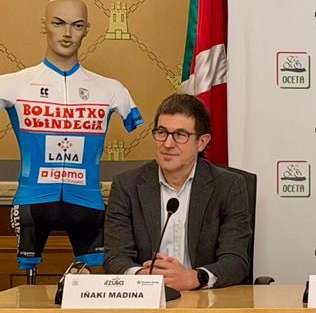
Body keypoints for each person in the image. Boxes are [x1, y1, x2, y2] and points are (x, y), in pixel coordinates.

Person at [0, 0, 143, 275]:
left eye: (77, 25)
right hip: (33, 200)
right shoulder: (12, 85)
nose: (67, 34)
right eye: (58, 23)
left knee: (93, 294)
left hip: (87, 203)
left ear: (87, 29)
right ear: (44, 25)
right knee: (27, 294)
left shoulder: (111, 90)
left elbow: (132, 120)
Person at [104, 94, 250, 290]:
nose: (168, 144)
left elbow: (236, 260)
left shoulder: (229, 186)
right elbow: (115, 257)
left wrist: (194, 278)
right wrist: (143, 275)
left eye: (180, 135)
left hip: (206, 304)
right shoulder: (127, 186)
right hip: (146, 303)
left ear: (202, 142)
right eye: (162, 132)